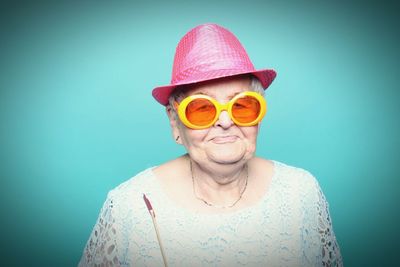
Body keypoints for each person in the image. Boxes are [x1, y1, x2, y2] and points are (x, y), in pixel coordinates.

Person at [78, 23, 343, 267]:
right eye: (202, 109)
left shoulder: (302, 193)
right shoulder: (130, 206)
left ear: (259, 117)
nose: (225, 121)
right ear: (175, 122)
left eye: (242, 105)